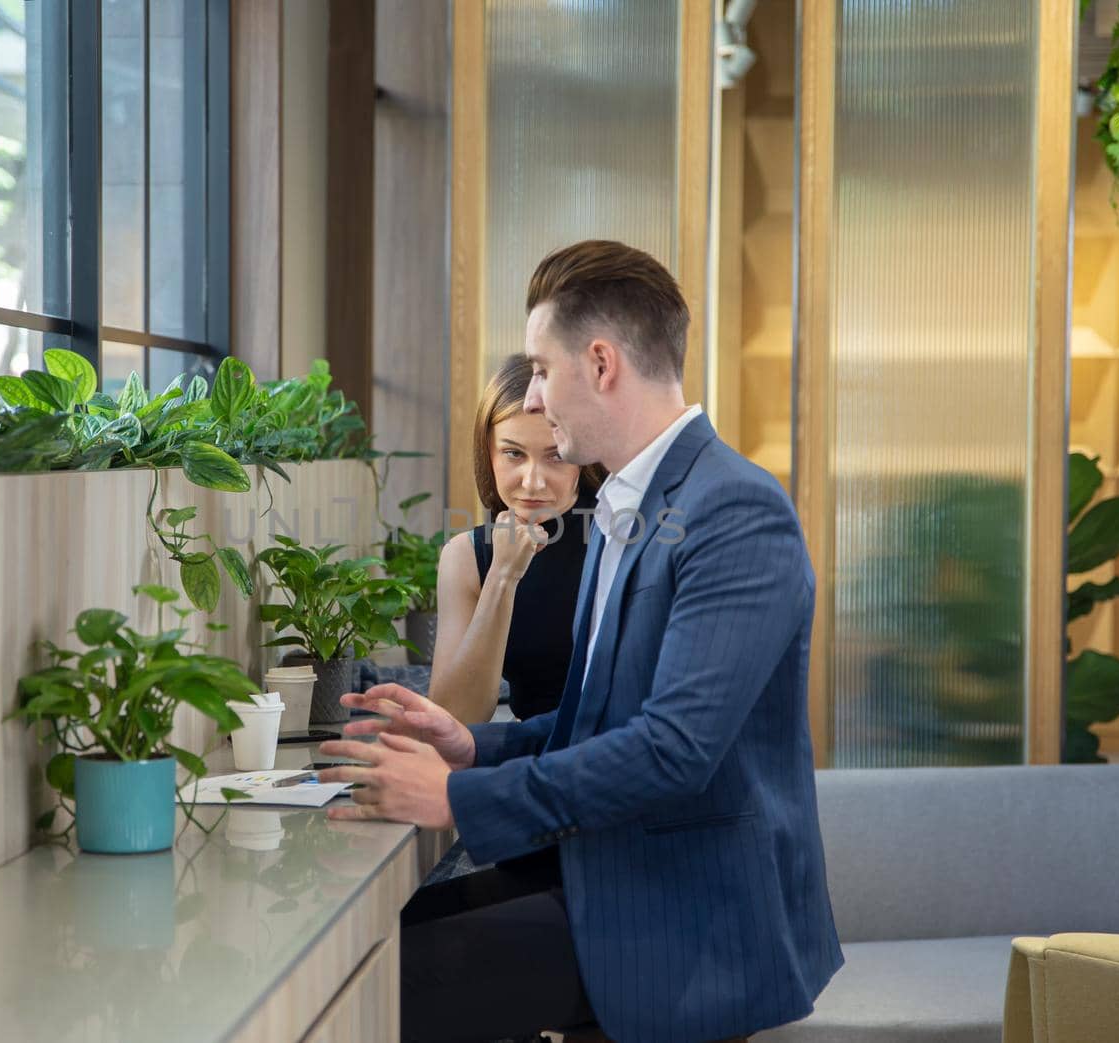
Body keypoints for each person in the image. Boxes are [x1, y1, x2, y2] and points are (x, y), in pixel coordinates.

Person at [318, 239, 843, 1042]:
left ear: (600, 364)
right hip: (608, 873)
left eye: (540, 367)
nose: (533, 391)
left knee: (374, 992)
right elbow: (594, 721)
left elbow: (672, 749)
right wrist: (471, 746)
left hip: (685, 918)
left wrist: (457, 798)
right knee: (359, 955)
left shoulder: (736, 509)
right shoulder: (620, 512)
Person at [430, 353, 605, 725]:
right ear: (488, 453)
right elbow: (453, 720)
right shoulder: (466, 558)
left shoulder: (622, 534)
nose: (532, 481)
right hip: (530, 764)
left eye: (555, 456)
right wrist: (503, 575)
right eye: (513, 453)